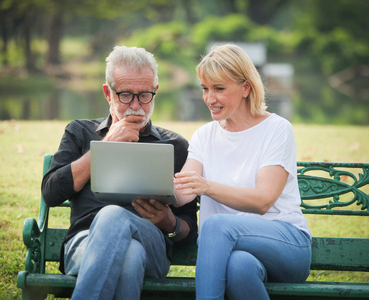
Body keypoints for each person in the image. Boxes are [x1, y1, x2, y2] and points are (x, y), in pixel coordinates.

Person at [41, 45, 198, 300]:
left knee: (115, 217)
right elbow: (51, 193)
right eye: (125, 95)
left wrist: (169, 223)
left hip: (153, 248)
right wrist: (104, 148)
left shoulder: (175, 146)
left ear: (155, 91)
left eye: (144, 95)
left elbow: (189, 228)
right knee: (129, 257)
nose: (136, 105)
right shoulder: (80, 132)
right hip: (84, 243)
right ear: (108, 93)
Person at [173, 43, 312, 300]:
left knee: (215, 226)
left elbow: (262, 201)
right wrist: (149, 187)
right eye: (205, 89)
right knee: (238, 267)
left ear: (246, 87)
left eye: (219, 89)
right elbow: (182, 192)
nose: (209, 99)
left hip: (287, 244)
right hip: (236, 251)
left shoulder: (277, 129)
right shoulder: (204, 135)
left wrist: (207, 186)